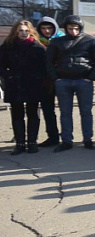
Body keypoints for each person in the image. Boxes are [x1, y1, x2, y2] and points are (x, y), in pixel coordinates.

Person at [46, 15, 95, 152]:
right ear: (65, 28)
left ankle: (88, 140)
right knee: (65, 112)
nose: (73, 31)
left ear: (81, 28)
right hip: (63, 81)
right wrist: (55, 79)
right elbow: (48, 61)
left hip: (84, 80)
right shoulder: (56, 42)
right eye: (70, 28)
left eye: (76, 28)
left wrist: (91, 77)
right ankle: (66, 141)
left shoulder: (90, 42)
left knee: (86, 112)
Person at [1, 20, 48, 155]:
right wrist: (8, 76)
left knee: (33, 113)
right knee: (17, 114)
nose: (23, 33)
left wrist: (39, 78)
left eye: (26, 31)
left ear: (31, 32)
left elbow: (44, 66)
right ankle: (20, 143)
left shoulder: (38, 47)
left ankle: (32, 142)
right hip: (15, 84)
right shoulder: (7, 46)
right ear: (16, 32)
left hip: (33, 84)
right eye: (21, 31)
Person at [35, 16, 63, 147]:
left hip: (62, 77)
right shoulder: (36, 42)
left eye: (50, 28)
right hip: (44, 80)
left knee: (65, 109)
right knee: (48, 109)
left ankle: (67, 135)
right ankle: (52, 136)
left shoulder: (62, 39)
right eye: (44, 28)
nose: (47, 31)